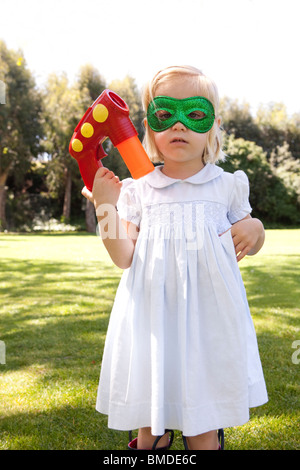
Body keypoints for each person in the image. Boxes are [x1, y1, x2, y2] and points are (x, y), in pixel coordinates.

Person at [82, 65, 268, 450]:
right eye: (165, 114)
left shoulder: (227, 185)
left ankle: (204, 436)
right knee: (152, 420)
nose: (178, 126)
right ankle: (154, 439)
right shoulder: (138, 191)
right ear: (147, 127)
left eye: (194, 114)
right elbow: (123, 256)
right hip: (153, 318)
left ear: (213, 126)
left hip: (208, 319)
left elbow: (247, 228)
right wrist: (106, 208)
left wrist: (257, 230)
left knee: (201, 424)